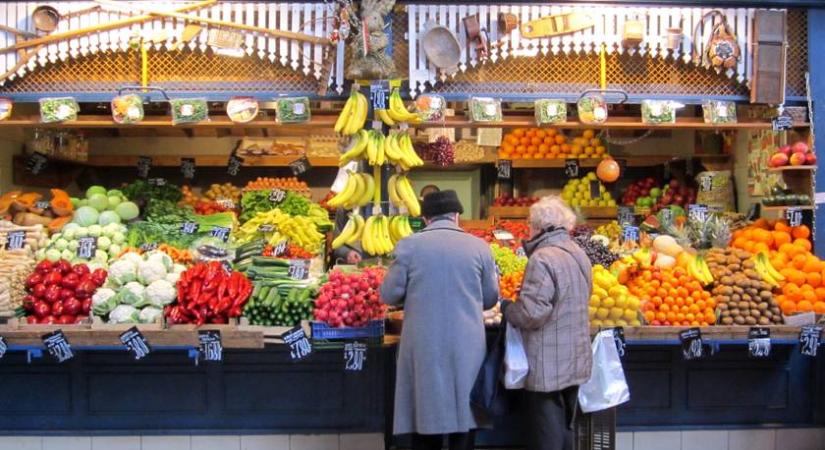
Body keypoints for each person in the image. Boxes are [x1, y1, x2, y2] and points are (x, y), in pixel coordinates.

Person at [381, 190, 499, 450]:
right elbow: (490, 299)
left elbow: (389, 294)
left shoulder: (409, 246)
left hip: (424, 343)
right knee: (464, 415)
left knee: (425, 413)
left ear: (426, 218)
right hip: (467, 344)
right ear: (457, 215)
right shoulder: (480, 247)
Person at [502, 195, 593, 450]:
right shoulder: (578, 253)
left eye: (530, 223)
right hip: (575, 355)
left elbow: (532, 314)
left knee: (546, 430)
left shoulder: (542, 258)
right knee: (566, 426)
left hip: (548, 361)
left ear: (540, 227)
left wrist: (508, 309)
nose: (528, 229)